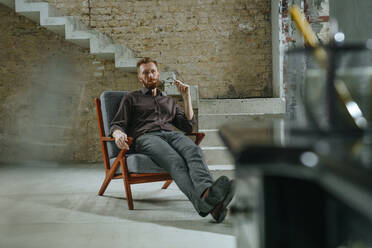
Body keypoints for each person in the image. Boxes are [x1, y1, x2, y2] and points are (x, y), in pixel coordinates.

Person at [110, 57, 234, 222]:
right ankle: (209, 203)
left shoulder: (168, 100)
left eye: (153, 71)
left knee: (194, 149)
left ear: (158, 74)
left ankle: (207, 196)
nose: (150, 75)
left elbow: (188, 127)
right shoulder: (131, 98)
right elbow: (117, 124)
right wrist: (118, 134)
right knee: (175, 161)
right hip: (146, 137)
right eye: (145, 73)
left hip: (172, 135)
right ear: (140, 77)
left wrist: (186, 97)